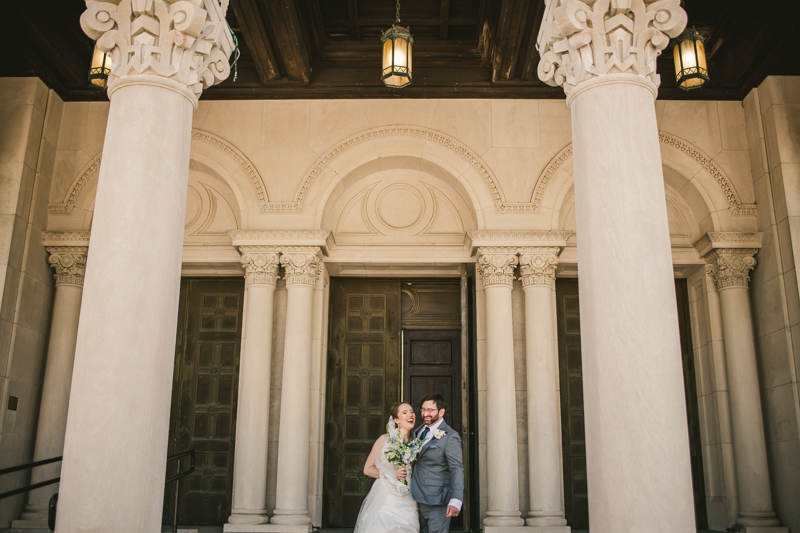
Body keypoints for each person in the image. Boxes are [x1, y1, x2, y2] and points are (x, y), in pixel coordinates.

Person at [354, 401, 420, 533]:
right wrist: (392, 474)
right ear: (396, 420)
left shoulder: (415, 444)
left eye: (412, 411)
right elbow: (367, 469)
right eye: (405, 412)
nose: (410, 415)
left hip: (408, 498)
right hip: (387, 498)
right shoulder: (384, 440)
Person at [410, 393, 464, 533]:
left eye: (430, 410)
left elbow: (456, 469)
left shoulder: (451, 437)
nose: (425, 413)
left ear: (441, 412)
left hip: (437, 499)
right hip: (415, 496)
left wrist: (456, 499)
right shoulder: (419, 430)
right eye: (423, 409)